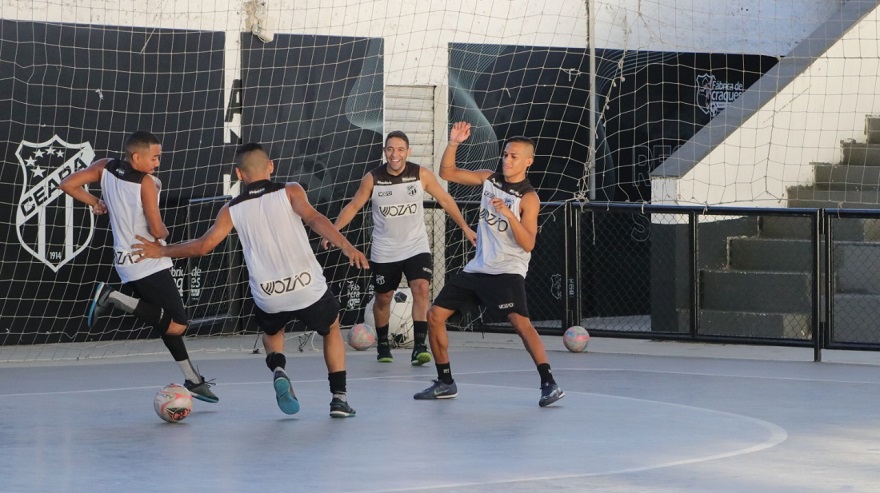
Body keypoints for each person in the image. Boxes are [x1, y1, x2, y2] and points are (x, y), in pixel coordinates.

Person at [132, 142, 369, 418]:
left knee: (272, 334)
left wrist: (159, 250)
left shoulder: (231, 209)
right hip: (306, 287)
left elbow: (202, 246)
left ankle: (278, 367)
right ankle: (338, 398)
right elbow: (315, 219)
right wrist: (347, 246)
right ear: (270, 166)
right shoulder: (290, 190)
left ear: (238, 174)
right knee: (331, 328)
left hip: (268, 294)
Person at [58, 130, 219, 404]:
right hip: (147, 260)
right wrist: (165, 232)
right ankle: (112, 297)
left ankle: (192, 379)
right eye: (155, 158)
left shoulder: (104, 166)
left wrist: (97, 202)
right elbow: (157, 229)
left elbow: (67, 184)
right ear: (137, 157)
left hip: (124, 261)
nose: (158, 163)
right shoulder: (146, 183)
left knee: (165, 322)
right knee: (178, 324)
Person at [413, 121, 565, 407]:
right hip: (478, 268)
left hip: (507, 271)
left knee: (521, 325)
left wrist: (509, 214)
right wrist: (454, 142)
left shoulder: (529, 198)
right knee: (434, 316)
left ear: (528, 162)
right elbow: (447, 172)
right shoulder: (489, 180)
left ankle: (549, 383)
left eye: (514, 156)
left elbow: (529, 244)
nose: (507, 160)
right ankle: (445, 381)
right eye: (506, 154)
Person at [324, 130, 476, 365]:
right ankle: (383, 346)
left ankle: (419, 347)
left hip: (416, 246)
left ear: (408, 152)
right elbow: (354, 206)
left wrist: (466, 228)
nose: (395, 154)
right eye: (390, 149)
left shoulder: (420, 174)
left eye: (400, 149)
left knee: (421, 289)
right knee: (383, 298)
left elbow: (445, 200)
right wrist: (333, 231)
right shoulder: (373, 178)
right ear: (385, 151)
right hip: (385, 249)